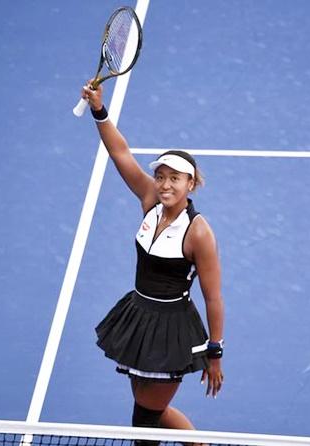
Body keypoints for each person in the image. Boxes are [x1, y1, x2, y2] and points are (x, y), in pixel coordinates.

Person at [80, 81, 225, 439]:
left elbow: (213, 296)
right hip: (138, 318)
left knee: (144, 423)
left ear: (190, 184)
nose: (164, 185)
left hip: (171, 330)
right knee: (150, 409)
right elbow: (120, 154)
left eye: (174, 179)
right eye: (161, 176)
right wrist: (99, 109)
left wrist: (215, 350)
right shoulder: (149, 200)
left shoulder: (199, 232)